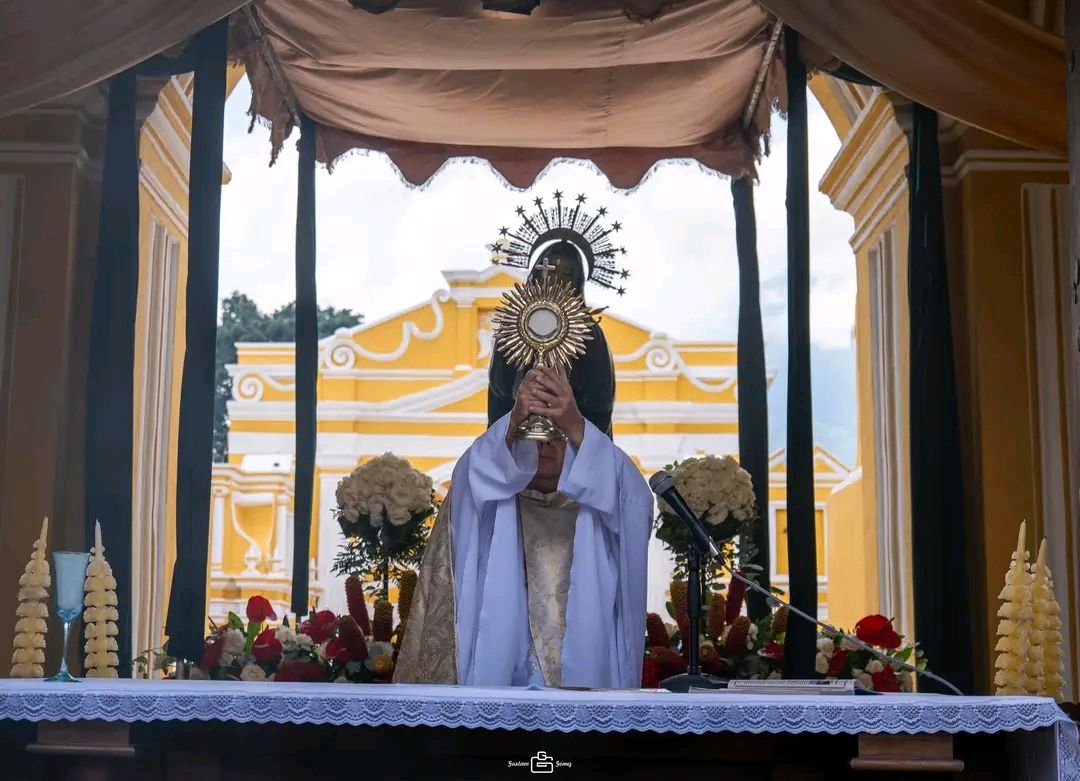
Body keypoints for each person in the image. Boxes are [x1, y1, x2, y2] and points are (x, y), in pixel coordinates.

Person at [394, 365, 652, 688]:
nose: (544, 442)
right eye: (534, 428)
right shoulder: (492, 510)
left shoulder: (599, 508)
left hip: (586, 681)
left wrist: (574, 423)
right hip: (504, 684)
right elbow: (470, 478)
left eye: (556, 430)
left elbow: (635, 501)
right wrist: (515, 419)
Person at [488, 240, 616, 437]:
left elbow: (600, 399)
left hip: (571, 439)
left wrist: (568, 402)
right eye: (550, 269)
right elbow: (500, 389)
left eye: (567, 274)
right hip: (520, 435)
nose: (556, 278)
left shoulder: (588, 330)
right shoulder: (513, 321)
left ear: (577, 282)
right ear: (537, 272)